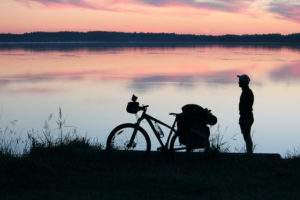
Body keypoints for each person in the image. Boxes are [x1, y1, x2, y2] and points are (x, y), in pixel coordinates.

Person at [237, 74, 254, 154]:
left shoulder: (247, 93)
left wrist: (245, 120)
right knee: (246, 136)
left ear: (244, 82)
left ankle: (249, 154)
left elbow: (247, 108)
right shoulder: (245, 92)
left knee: (247, 137)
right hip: (245, 117)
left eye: (240, 81)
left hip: (247, 118)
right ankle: (249, 153)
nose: (238, 82)